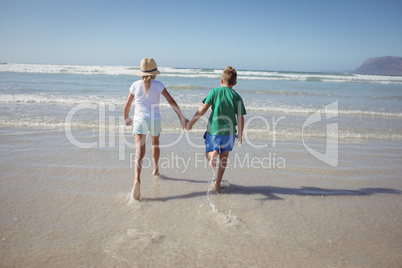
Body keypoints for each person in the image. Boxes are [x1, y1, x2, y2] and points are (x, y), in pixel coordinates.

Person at [124, 58, 187, 200]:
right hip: (155, 120)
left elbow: (127, 105)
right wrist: (181, 117)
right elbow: (171, 101)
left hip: (140, 119)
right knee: (155, 144)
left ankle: (137, 180)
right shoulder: (159, 85)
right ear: (154, 73)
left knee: (139, 151)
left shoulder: (135, 85)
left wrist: (126, 117)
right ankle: (155, 170)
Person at [186, 66, 246, 192]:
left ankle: (212, 154)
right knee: (224, 159)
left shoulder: (214, 92)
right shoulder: (237, 97)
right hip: (229, 134)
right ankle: (217, 184)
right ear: (235, 83)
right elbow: (240, 117)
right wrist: (240, 133)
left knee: (209, 155)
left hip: (214, 131)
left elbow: (203, 109)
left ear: (221, 81)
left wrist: (191, 122)